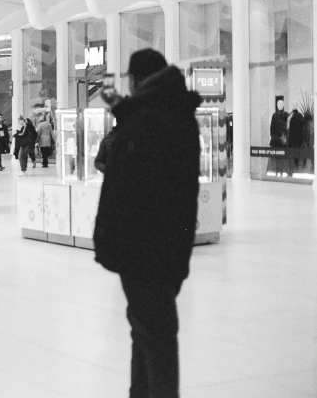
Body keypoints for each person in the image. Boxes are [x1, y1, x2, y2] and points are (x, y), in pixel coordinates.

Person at [94, 49, 202, 398]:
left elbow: (135, 171)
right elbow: (148, 130)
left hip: (144, 245)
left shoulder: (155, 120)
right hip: (165, 243)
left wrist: (121, 111)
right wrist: (120, 108)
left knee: (155, 337)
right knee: (146, 331)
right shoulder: (172, 114)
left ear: (138, 80)